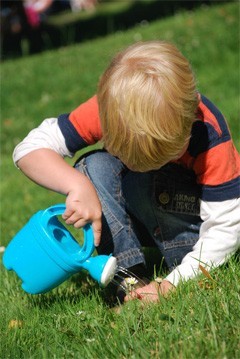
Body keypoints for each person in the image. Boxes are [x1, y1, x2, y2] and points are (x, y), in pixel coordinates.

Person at [13, 41, 240, 303]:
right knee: (92, 168)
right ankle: (130, 279)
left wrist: (172, 285)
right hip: (147, 215)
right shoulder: (114, 109)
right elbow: (29, 149)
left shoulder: (208, 134)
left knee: (153, 183)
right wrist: (77, 185)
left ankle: (172, 270)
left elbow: (226, 227)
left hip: (195, 234)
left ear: (189, 122)